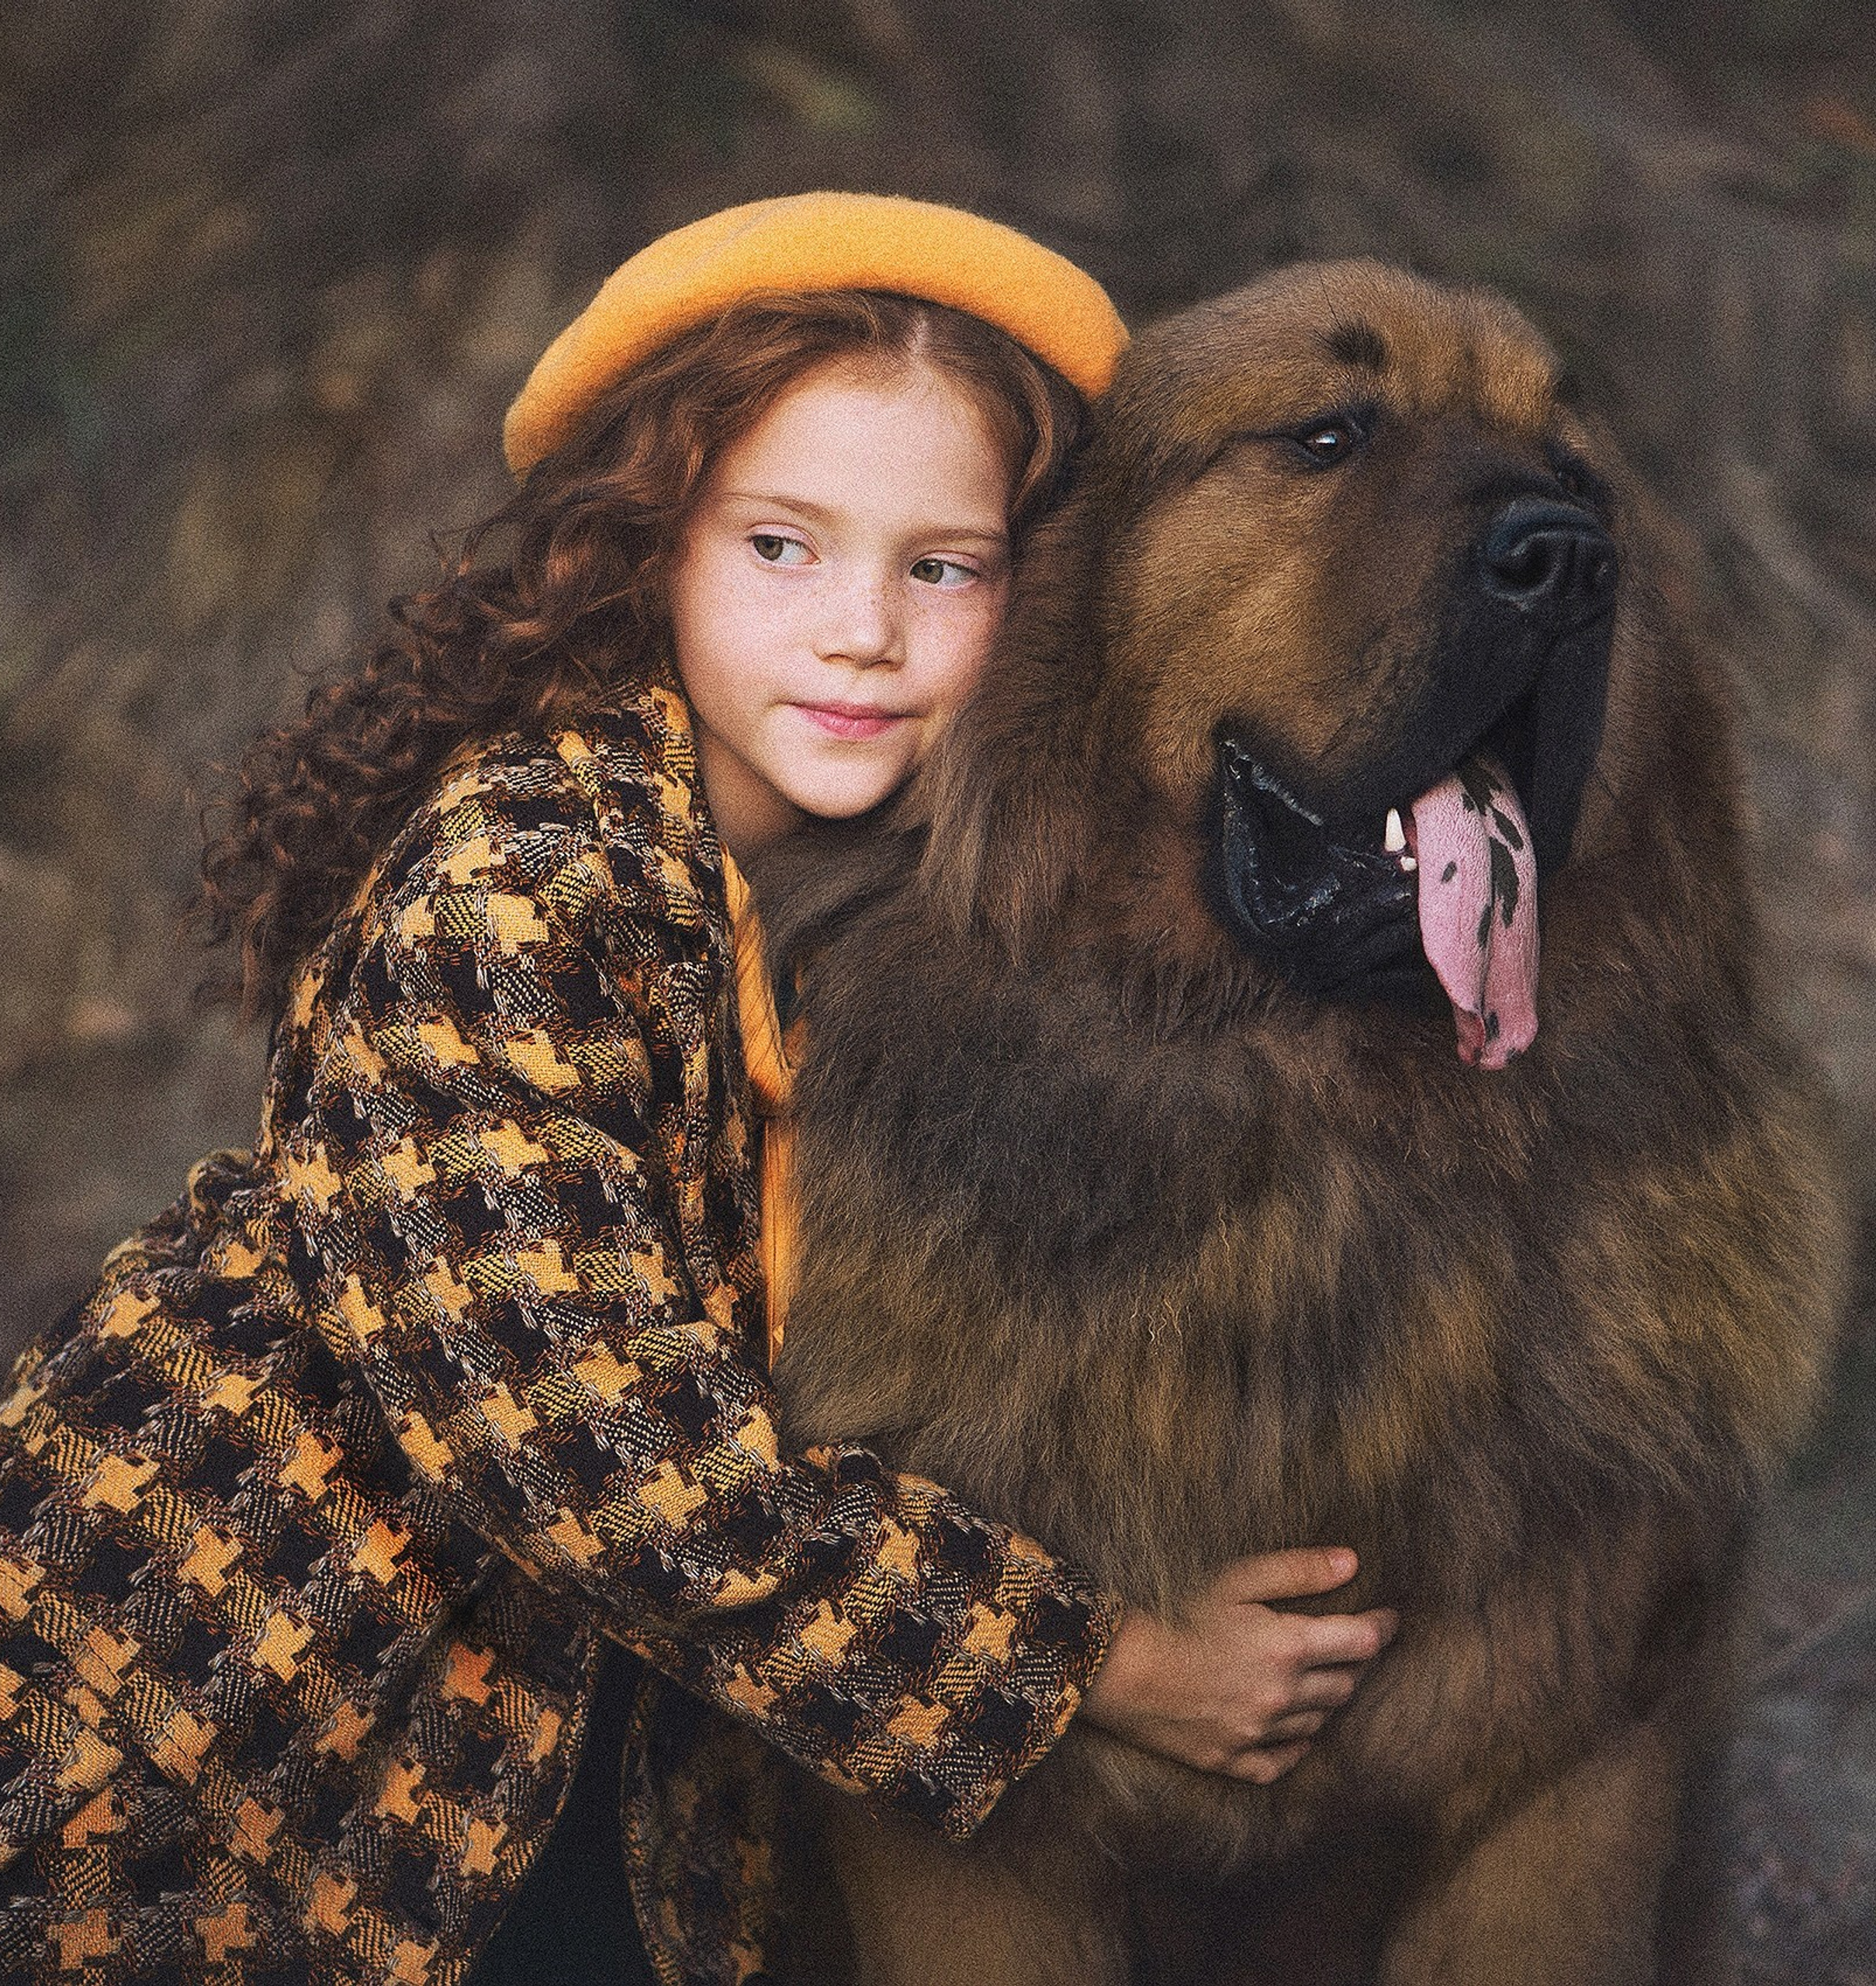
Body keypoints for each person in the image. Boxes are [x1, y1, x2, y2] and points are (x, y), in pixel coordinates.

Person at [0, 193, 1396, 1986]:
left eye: (943, 567)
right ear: (645, 542)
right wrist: (1108, 1659)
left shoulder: (880, 909)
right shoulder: (521, 878)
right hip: (220, 1730)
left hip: (561, 1753)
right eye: (783, 547)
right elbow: (599, 1447)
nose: (864, 633)